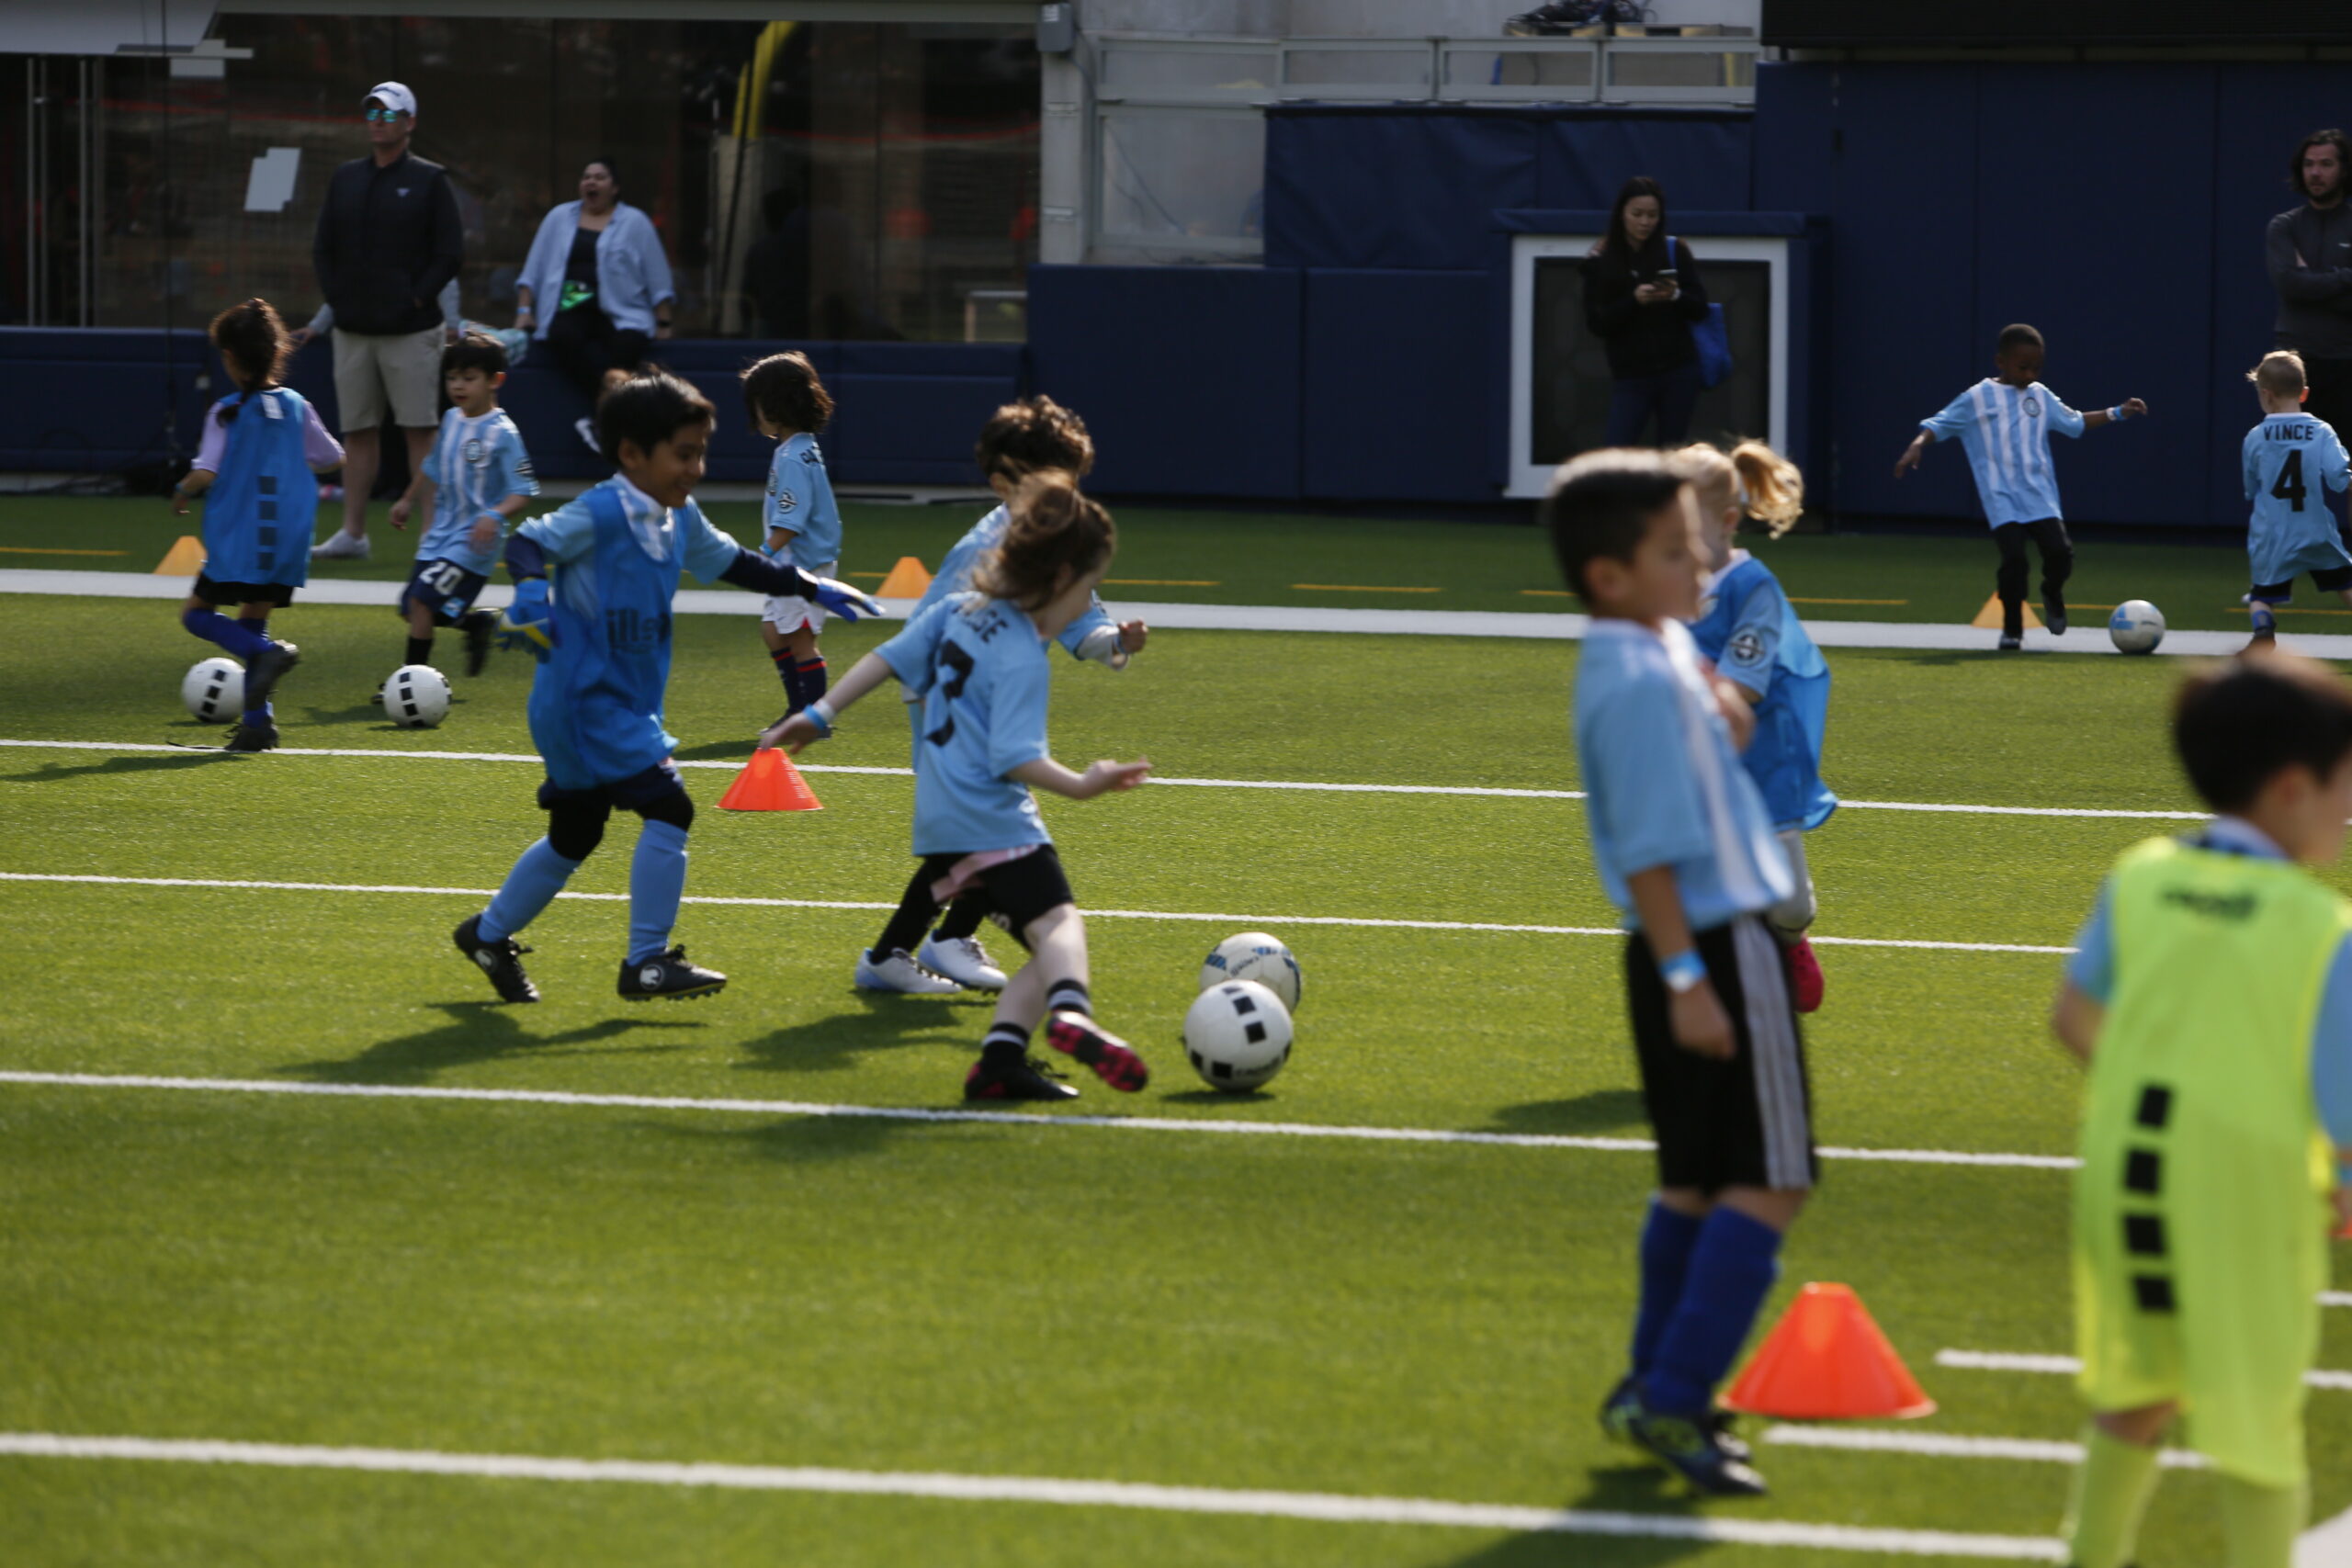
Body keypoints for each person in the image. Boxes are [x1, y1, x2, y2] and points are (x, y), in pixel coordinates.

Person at [2050, 653, 2352, 1568]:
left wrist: (2169, 1074)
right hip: (2244, 1191)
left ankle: (2087, 1557)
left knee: (2138, 1384)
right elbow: (2341, 1094)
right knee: (2258, 1420)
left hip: (2127, 1175)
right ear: (2293, 788)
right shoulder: (2320, 926)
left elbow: (2072, 1016)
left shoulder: (2139, 874)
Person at [451, 369, 881, 1006]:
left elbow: (735, 561)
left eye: (700, 451)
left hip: (608, 704)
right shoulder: (603, 509)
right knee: (669, 806)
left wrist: (812, 587)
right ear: (632, 455)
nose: (696, 467)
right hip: (585, 702)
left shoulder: (678, 516)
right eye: (683, 453)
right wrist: (533, 599)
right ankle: (646, 962)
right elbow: (531, 544)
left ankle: (487, 934)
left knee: (577, 834)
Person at [1550, 448, 1806, 1499]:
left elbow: (1723, 715)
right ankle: (1673, 1392)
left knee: (1696, 1183)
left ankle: (1654, 1384)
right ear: (1610, 575)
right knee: (1773, 1181)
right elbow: (1651, 851)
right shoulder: (1642, 678)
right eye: (1674, 547)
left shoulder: (1641, 650)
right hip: (1710, 943)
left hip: (1684, 947)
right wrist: (1690, 979)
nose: (1701, 556)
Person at [759, 473, 1154, 1104]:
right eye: (1086, 590)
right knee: (1061, 932)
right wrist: (1085, 784)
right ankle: (1072, 1015)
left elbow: (885, 658)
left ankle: (998, 1063)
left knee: (1041, 941)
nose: (1088, 604)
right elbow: (1015, 755)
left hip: (942, 812)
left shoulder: (953, 610)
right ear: (1054, 581)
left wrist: (819, 713)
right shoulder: (1023, 655)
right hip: (990, 819)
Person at [852, 396, 1148, 997]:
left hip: (992, 714)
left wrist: (1116, 639)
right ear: (1004, 484)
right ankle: (907, 950)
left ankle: (914, 948)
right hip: (950, 716)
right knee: (987, 839)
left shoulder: (1055, 535)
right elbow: (923, 643)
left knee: (973, 846)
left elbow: (1081, 630)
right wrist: (931, 719)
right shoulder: (980, 551)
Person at [1675, 440, 1833, 1013]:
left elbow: (1742, 687)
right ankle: (1717, 986)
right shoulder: (1667, 584)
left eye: (1687, 526)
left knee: (1790, 904)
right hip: (1694, 762)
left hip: (1762, 759)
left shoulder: (1753, 588)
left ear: (1727, 521)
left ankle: (1790, 941)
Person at [1894, 323, 2146, 650]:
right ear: (2001, 362)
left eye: (2036, 367)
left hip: (2040, 496)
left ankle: (2052, 593)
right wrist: (1917, 444)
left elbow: (2075, 422)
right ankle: (2012, 629)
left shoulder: (2040, 396)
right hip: (2001, 498)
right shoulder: (1977, 397)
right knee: (2014, 561)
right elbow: (1938, 424)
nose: (2030, 374)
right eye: (2022, 366)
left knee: (2060, 554)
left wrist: (2117, 413)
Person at [168, 299, 345, 754]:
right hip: (286, 543)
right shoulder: (296, 406)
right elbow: (332, 458)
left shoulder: (226, 411)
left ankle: (265, 658)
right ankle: (257, 725)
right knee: (255, 622)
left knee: (197, 614)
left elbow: (205, 472)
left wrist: (183, 489)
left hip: (240, 542)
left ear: (229, 357)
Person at [304, 82, 464, 563]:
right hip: (354, 330)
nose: (379, 121)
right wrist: (340, 299)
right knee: (357, 432)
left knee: (420, 430)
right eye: (373, 112)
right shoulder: (346, 177)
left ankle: (430, 537)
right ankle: (353, 533)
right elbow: (324, 247)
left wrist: (415, 300)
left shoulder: (431, 180)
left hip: (412, 333)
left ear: (410, 123)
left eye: (391, 115)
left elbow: (449, 252)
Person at [386, 331, 539, 683]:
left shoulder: (504, 433)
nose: (458, 385)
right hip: (439, 535)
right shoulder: (453, 419)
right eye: (452, 377)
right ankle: (476, 622)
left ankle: (408, 680)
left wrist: (494, 515)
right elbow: (433, 464)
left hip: (472, 543)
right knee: (412, 608)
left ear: (495, 381)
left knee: (423, 602)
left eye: (468, 378)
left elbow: (523, 490)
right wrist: (407, 498)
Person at [514, 157, 676, 454]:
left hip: (621, 308)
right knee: (562, 337)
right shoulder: (558, 217)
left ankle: (601, 420)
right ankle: (614, 418)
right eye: (586, 177)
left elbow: (657, 274)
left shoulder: (635, 222)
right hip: (572, 302)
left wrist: (663, 321)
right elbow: (534, 268)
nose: (591, 182)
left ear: (615, 188)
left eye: (600, 178)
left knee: (627, 346)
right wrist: (525, 311)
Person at [739, 352, 841, 728]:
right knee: (773, 631)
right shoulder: (797, 448)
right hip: (797, 561)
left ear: (774, 406)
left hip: (804, 562)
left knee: (798, 637)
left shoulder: (795, 457)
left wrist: (760, 558)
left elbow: (790, 523)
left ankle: (811, 716)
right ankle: (799, 708)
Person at [1582, 176, 1712, 447]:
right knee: (1617, 456)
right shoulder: (1601, 260)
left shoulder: (1674, 250)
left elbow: (1700, 308)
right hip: (1631, 377)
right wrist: (1634, 300)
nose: (1645, 222)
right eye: (1637, 214)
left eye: (1653, 215)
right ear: (1621, 214)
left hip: (1679, 371)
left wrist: (1674, 295)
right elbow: (1597, 323)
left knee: (1674, 459)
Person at [2240, 350, 2352, 650]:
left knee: (2262, 595)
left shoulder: (2256, 436)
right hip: (2315, 528)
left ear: (2266, 395)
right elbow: (2340, 478)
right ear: (2304, 393)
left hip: (2273, 533)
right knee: (2345, 583)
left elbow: (2252, 486)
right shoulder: (2322, 431)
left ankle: (2263, 635)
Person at [2267, 129, 2352, 512]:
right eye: (2309, 164)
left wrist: (2313, 281)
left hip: (2347, 364)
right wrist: (2344, 277)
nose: (2316, 173)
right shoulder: (2284, 226)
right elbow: (2289, 285)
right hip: (2294, 368)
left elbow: (2304, 287)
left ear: (2343, 170)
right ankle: (2286, 562)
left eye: (2326, 164)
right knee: (2289, 468)